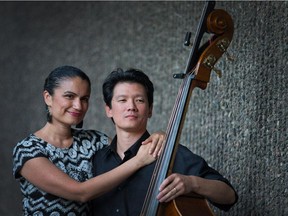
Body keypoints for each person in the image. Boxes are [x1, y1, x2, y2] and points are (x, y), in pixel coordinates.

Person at [12, 65, 165, 215]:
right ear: (48, 97)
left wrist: (161, 136)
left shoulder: (94, 141)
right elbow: (80, 193)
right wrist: (138, 161)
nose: (78, 105)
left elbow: (131, 144)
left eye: (84, 98)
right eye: (69, 96)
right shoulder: (27, 149)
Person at [92, 68, 238, 215]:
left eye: (139, 100)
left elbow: (229, 195)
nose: (131, 107)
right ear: (109, 110)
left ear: (150, 110)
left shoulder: (170, 153)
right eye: (122, 100)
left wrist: (192, 183)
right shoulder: (96, 160)